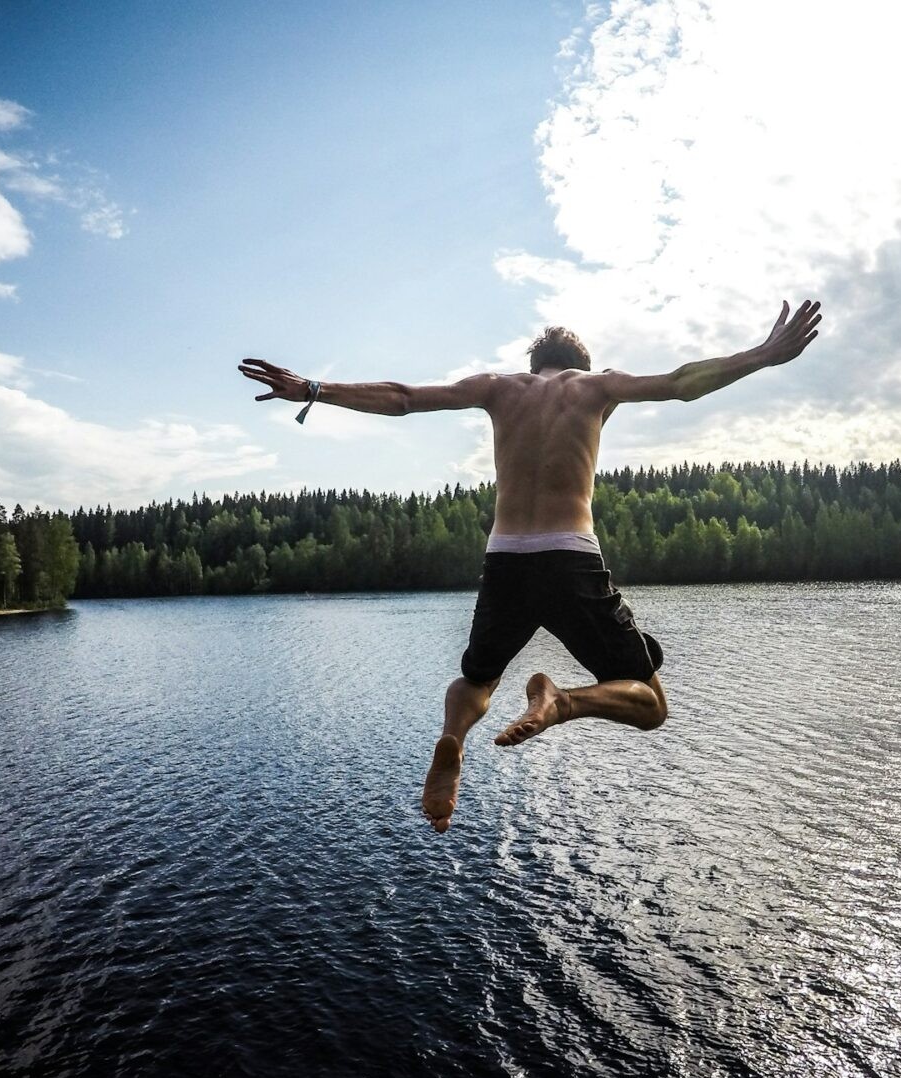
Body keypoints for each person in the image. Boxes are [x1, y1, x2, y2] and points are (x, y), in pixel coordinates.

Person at [239, 299, 823, 832]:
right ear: (579, 364)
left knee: (476, 679)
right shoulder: (598, 387)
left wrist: (314, 388)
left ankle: (452, 738)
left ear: (535, 361)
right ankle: (562, 700)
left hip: (507, 559)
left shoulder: (498, 388)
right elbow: (681, 384)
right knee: (651, 702)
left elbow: (405, 398)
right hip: (571, 556)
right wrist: (765, 355)